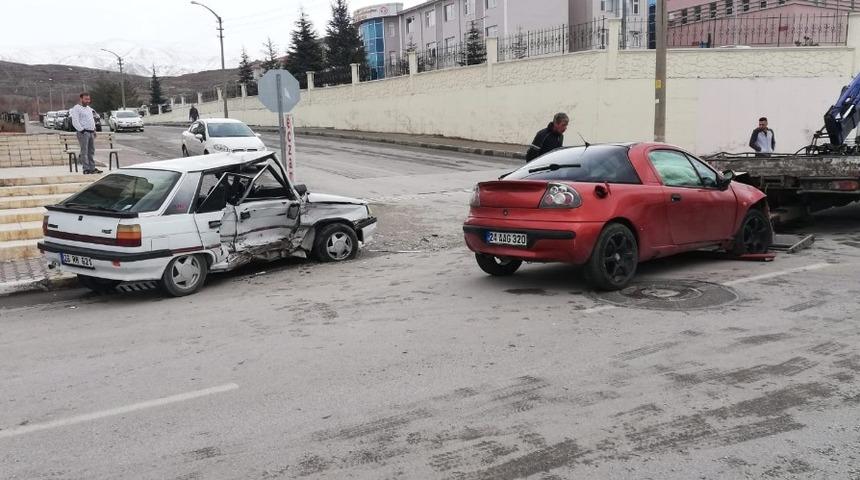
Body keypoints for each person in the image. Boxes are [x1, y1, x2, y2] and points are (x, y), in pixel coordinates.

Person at [69, 92, 101, 174]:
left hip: (91, 132)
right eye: (86, 99)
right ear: (81, 99)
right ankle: (86, 168)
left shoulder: (89, 109)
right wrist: (82, 130)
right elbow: (75, 121)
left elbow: (91, 120)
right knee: (85, 151)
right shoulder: (76, 108)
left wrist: (94, 130)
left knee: (91, 151)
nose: (88, 101)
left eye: (89, 99)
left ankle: (92, 168)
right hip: (84, 133)